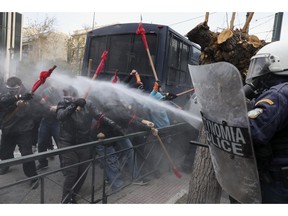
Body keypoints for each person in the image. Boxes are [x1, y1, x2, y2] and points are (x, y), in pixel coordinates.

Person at [233, 40, 288, 203]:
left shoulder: (278, 95)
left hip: (276, 182)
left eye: (262, 66)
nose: (258, 72)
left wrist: (229, 120)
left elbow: (251, 131)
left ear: (279, 63)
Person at [56, 86, 124, 203]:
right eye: (65, 95)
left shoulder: (88, 104)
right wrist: (73, 105)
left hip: (84, 143)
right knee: (72, 173)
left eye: (70, 95)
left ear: (76, 95)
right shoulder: (62, 103)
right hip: (67, 143)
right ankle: (65, 201)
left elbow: (100, 116)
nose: (67, 97)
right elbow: (60, 116)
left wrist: (114, 125)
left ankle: (73, 196)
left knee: (82, 173)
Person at [0, 76, 42, 189]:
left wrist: (27, 104)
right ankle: (6, 165)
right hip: (8, 128)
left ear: (20, 85)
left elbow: (36, 107)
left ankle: (33, 177)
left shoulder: (28, 93)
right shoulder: (5, 91)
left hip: (24, 129)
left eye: (14, 89)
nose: (10, 90)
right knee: (4, 152)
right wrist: (17, 99)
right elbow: (3, 102)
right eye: (9, 88)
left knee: (26, 154)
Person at [36, 85, 62, 170]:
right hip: (45, 120)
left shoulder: (61, 91)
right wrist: (44, 104)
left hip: (57, 121)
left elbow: (65, 103)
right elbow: (40, 102)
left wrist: (57, 108)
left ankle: (64, 164)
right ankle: (43, 163)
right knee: (41, 143)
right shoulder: (44, 91)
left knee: (60, 143)